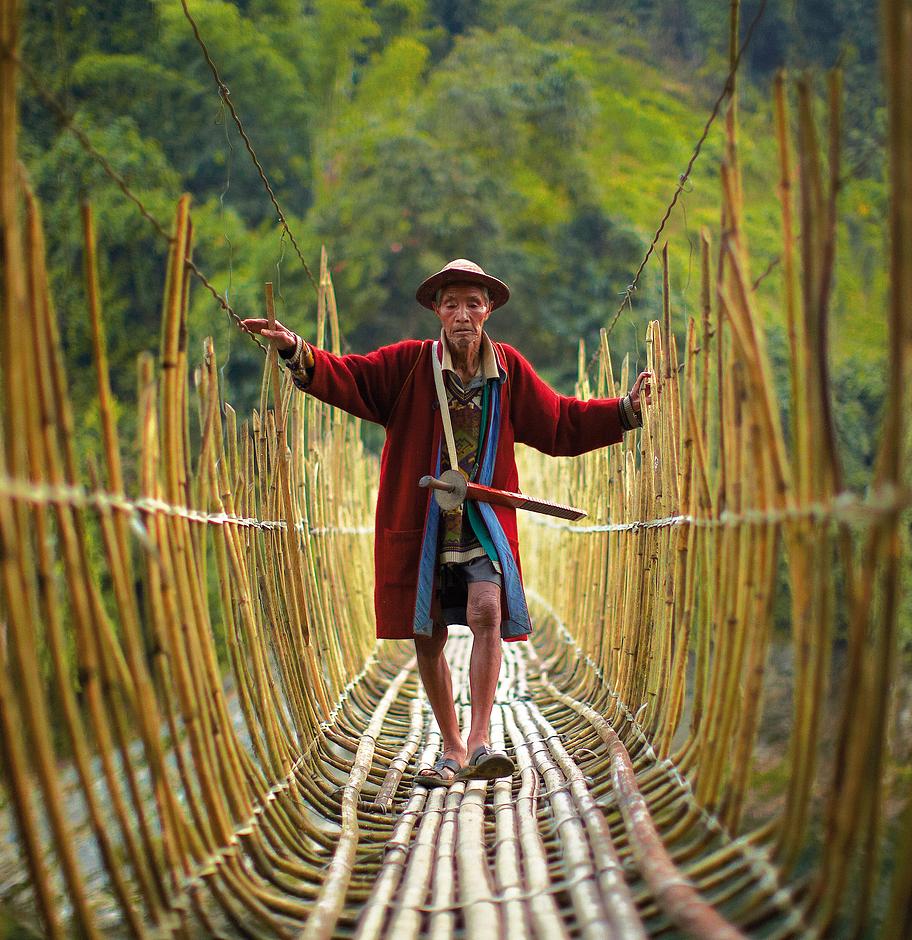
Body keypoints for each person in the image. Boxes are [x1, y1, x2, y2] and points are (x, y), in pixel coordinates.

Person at [240, 259, 651, 786]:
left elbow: (561, 422)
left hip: (482, 520)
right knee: (428, 632)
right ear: (437, 310)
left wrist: (624, 410)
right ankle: (451, 748)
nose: (463, 313)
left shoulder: (509, 371)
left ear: (488, 311)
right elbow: (349, 377)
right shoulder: (408, 365)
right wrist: (297, 350)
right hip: (424, 521)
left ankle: (481, 739)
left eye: (473, 303)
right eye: (451, 302)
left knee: (486, 609)